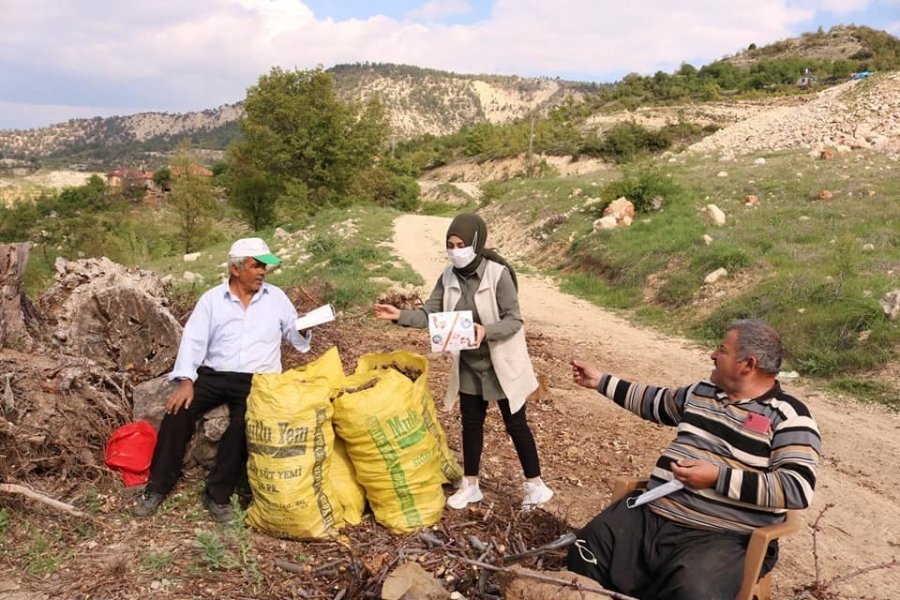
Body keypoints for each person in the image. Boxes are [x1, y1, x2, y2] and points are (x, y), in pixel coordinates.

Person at [566, 319, 821, 600]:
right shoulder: (701, 392)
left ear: (747, 364)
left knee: (693, 591)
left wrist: (716, 477)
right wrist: (600, 381)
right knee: (587, 548)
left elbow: (797, 488)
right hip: (653, 514)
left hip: (721, 536)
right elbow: (655, 401)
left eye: (722, 350)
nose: (713, 355)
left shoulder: (789, 416)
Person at [373, 213, 553, 510]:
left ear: (475, 243)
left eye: (460, 244)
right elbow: (430, 314)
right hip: (470, 363)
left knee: (515, 424)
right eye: (450, 244)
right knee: (470, 423)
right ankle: (471, 485)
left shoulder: (498, 275)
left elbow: (514, 320)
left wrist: (487, 331)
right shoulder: (448, 276)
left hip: (501, 362)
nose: (455, 250)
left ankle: (535, 485)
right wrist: (400, 316)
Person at [134, 237, 312, 522]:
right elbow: (193, 341)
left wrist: (304, 327)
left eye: (265, 267)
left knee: (244, 424)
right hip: (214, 375)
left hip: (258, 380)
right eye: (257, 266)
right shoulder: (212, 300)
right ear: (236, 268)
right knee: (178, 411)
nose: (263, 272)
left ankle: (217, 495)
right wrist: (186, 381)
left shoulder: (276, 298)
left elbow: (294, 336)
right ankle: (157, 488)